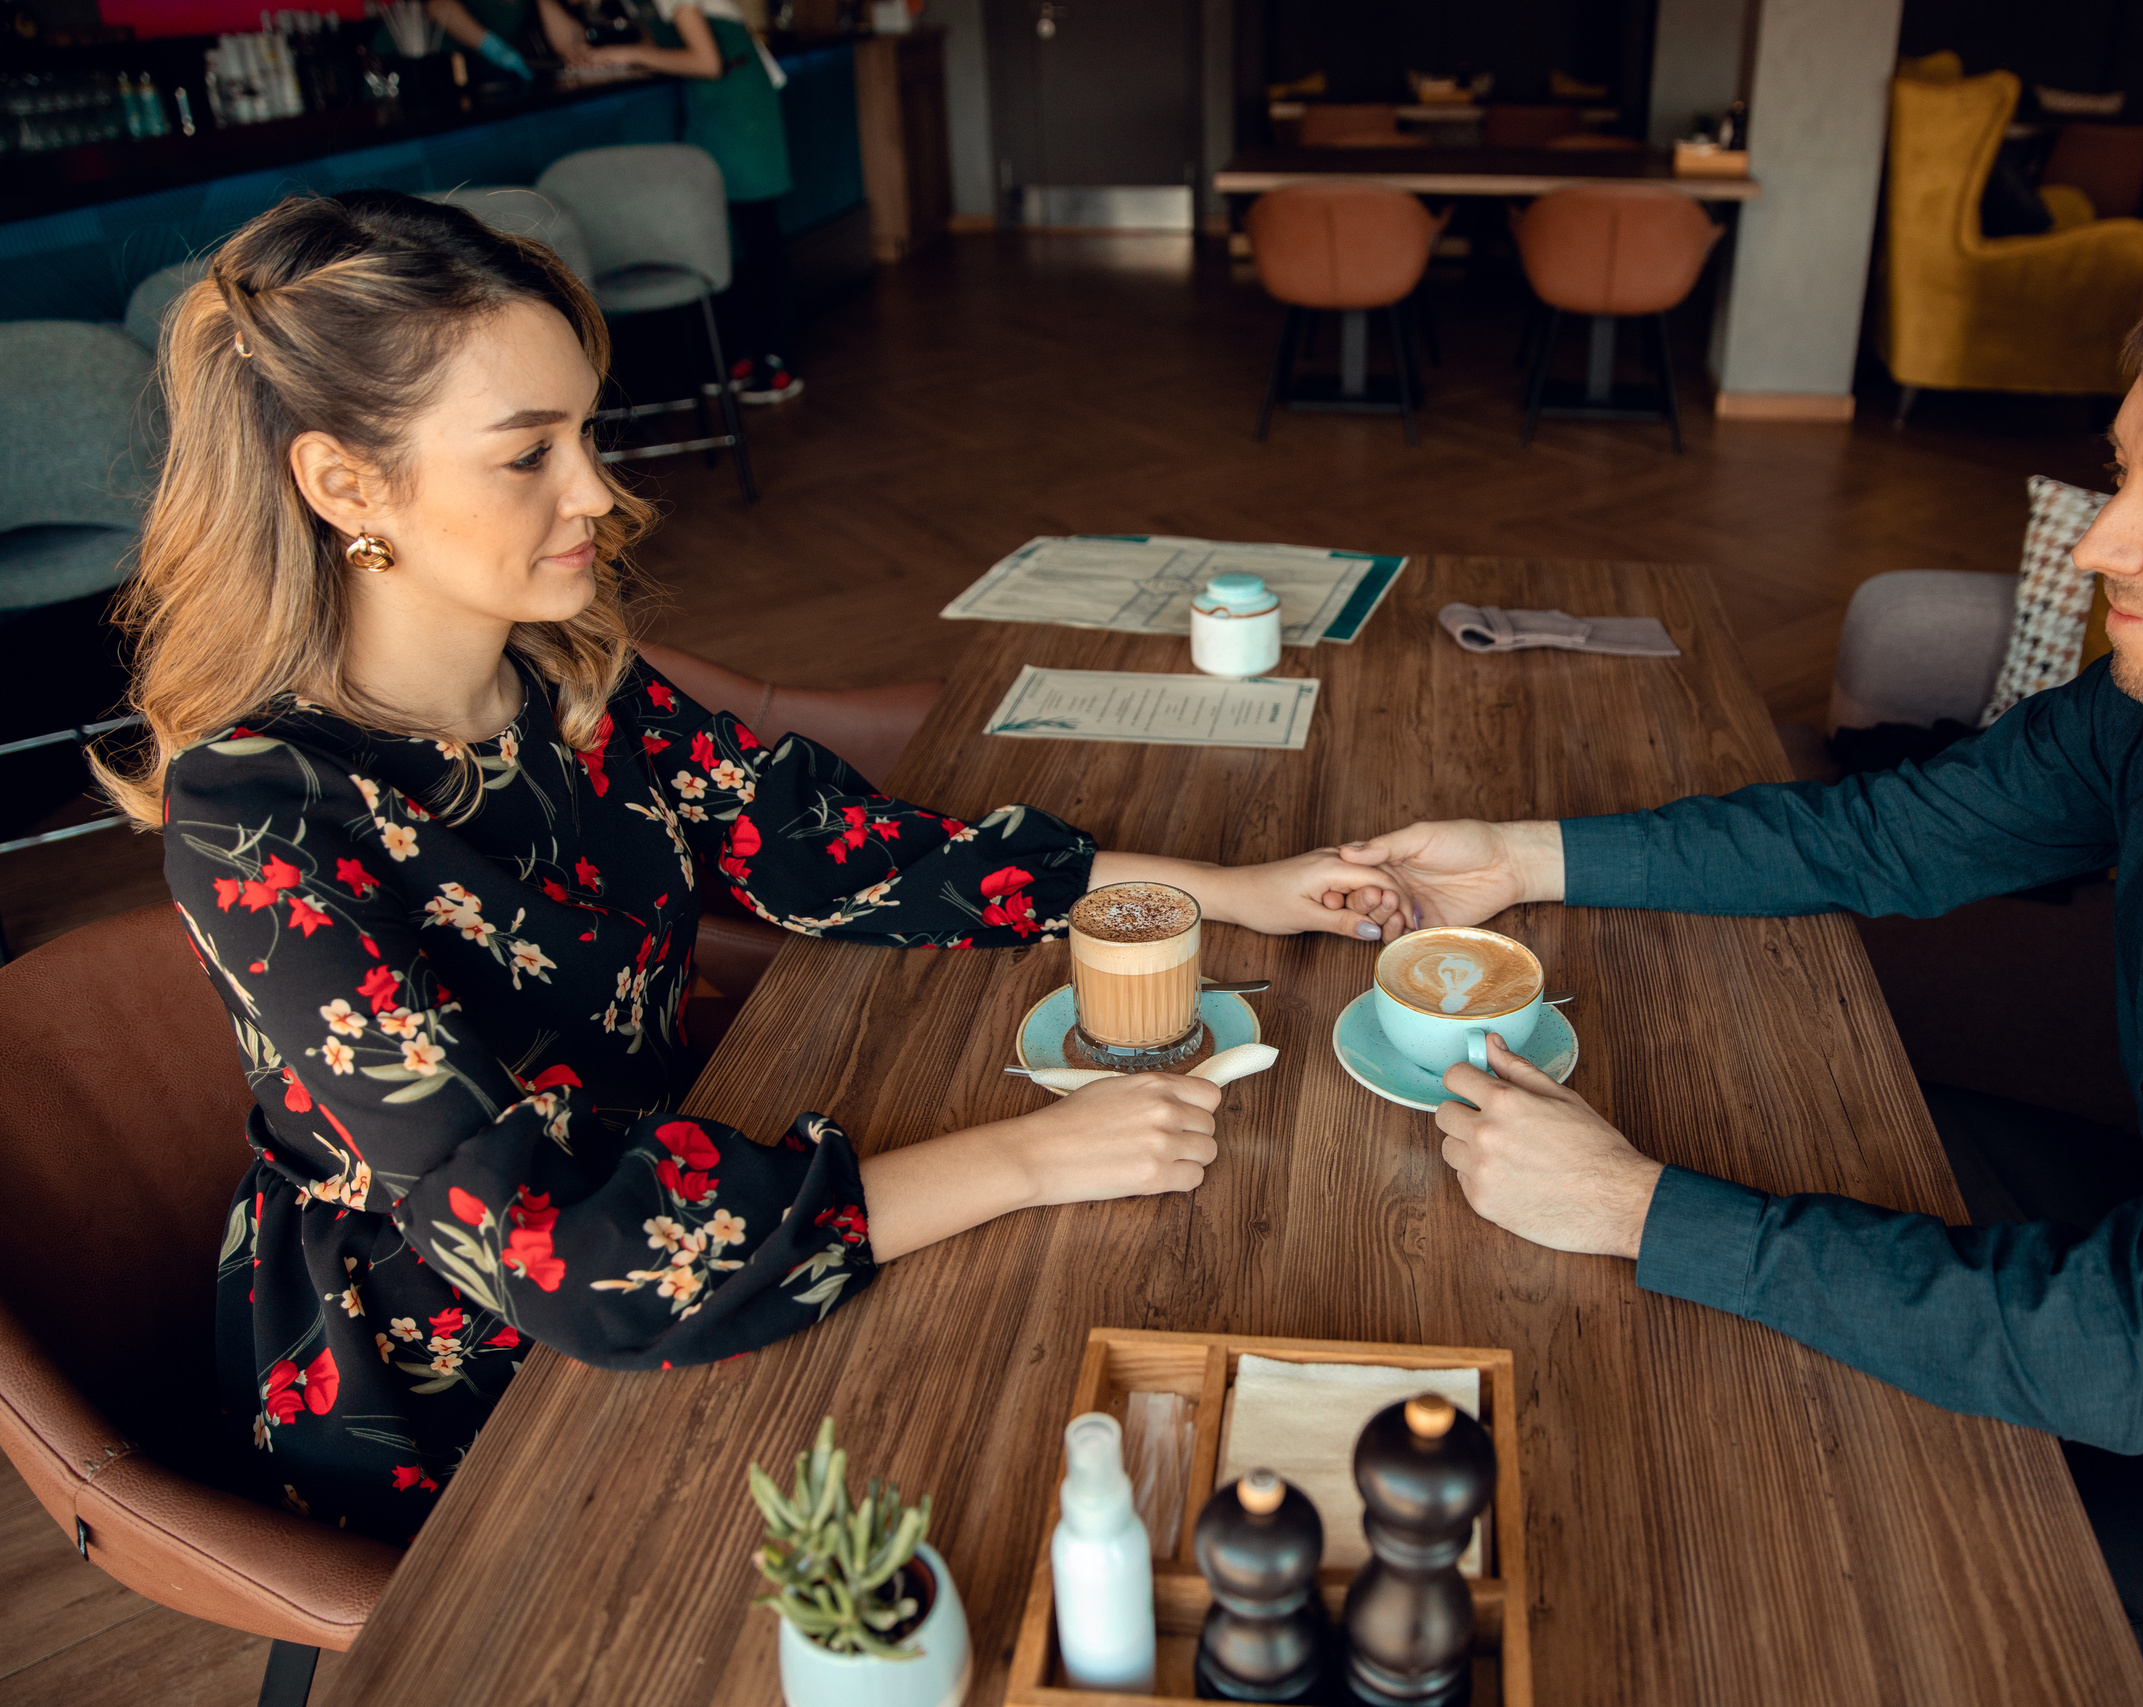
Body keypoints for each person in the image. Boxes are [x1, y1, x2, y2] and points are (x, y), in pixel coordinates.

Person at [1334, 227, 2143, 1685]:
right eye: (2125, 474)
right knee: (1766, 1129)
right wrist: (1526, 853)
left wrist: (1639, 1204)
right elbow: (1894, 834)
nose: (2108, 541)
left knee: (1763, 1580)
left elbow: (2135, 1346)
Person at [101, 190, 1407, 1544]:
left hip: (711, 1184)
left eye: (586, 433)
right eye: (526, 453)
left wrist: (1233, 887)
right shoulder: (255, 810)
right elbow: (561, 1250)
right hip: (461, 1371)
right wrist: (1027, 1154)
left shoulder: (559, 665)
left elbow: (832, 849)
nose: (594, 493)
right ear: (344, 484)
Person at [538, 0, 804, 402]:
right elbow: (662, 50)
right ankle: (737, 354)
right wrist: (616, 59)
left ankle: (780, 359)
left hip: (739, 110)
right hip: (707, 111)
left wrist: (622, 53)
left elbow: (707, 61)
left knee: (758, 232)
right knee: (718, 238)